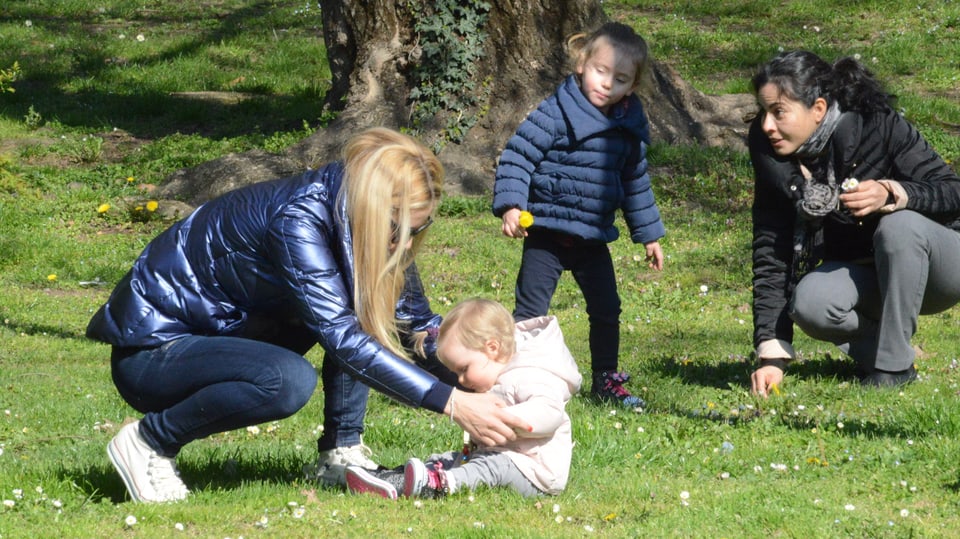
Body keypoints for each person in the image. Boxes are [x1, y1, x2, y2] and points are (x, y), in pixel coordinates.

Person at [86, 128, 529, 503]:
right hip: (155, 356)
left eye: (420, 228)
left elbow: (416, 328)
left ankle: (341, 452)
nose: (407, 241)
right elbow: (342, 339)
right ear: (376, 208)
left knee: (364, 312)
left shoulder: (365, 227)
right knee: (288, 379)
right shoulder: (297, 220)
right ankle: (149, 442)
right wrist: (453, 403)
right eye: (400, 228)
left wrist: (505, 376)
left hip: (231, 340)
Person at [748, 50, 960, 397]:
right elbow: (773, 249)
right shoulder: (773, 153)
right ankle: (888, 350)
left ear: (818, 108)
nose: (767, 125)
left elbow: (953, 192)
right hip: (868, 274)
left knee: (899, 225)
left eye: (778, 112)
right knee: (811, 303)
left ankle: (893, 371)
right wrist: (772, 353)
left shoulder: (877, 123)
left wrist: (892, 193)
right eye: (764, 112)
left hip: (941, 268)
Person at [491, 22, 665, 409]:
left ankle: (607, 380)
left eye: (620, 79)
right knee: (530, 312)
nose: (607, 84)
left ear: (632, 86)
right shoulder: (555, 113)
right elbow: (518, 156)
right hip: (547, 233)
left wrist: (649, 235)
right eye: (601, 71)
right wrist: (511, 205)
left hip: (592, 236)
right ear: (582, 64)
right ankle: (519, 376)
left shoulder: (628, 129)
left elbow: (635, 182)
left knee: (607, 309)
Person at [343, 298, 582, 499]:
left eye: (464, 369)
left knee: (492, 467)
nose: (461, 380)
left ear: (492, 348)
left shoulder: (532, 373)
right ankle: (399, 478)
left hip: (534, 471)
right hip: (499, 454)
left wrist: (505, 419)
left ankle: (438, 485)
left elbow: (550, 412)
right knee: (447, 458)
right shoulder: (495, 374)